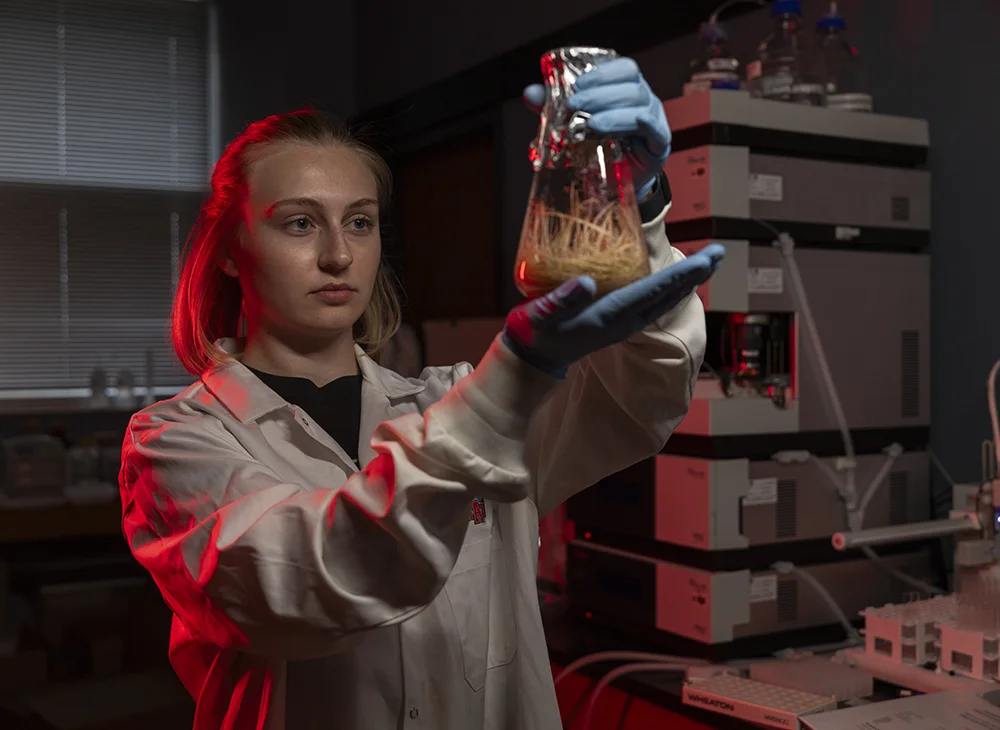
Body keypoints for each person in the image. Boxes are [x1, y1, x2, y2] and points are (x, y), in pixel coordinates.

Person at [119, 56, 724, 730]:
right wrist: (511, 377)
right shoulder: (174, 441)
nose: (338, 256)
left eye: (359, 222)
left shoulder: (446, 401)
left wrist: (629, 198)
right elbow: (303, 584)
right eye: (299, 223)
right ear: (232, 248)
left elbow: (640, 392)